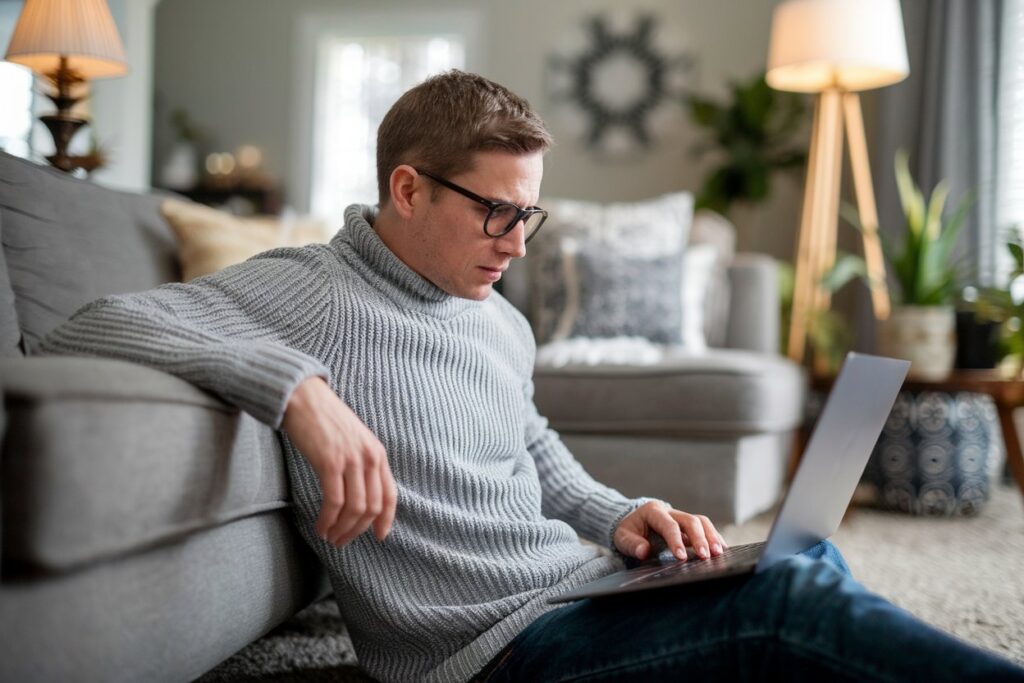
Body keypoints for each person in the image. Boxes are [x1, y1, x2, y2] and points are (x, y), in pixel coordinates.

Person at [41, 70, 1023, 683]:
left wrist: (614, 510)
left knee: (799, 565)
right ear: (408, 187)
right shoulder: (311, 292)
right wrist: (298, 390)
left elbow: (537, 448)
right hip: (487, 651)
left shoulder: (498, 317)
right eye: (495, 213)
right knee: (784, 610)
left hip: (581, 586)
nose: (518, 243)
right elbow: (89, 325)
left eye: (530, 216)